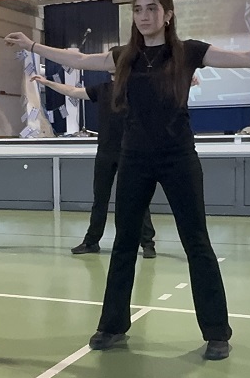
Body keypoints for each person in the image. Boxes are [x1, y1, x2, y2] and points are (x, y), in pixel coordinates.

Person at [4, 0, 250, 360]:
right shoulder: (124, 56)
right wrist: (33, 45)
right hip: (134, 158)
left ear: (168, 14)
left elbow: (247, 58)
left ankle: (217, 332)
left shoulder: (188, 52)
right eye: (138, 10)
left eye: (152, 9)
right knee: (124, 243)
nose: (144, 16)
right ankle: (112, 325)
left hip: (178, 158)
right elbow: (78, 60)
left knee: (197, 242)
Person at [30, 73, 156, 258]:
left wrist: (187, 82)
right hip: (105, 153)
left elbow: (162, 93)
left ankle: (147, 243)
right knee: (100, 199)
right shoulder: (102, 89)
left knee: (138, 199)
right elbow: (72, 91)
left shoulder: (136, 87)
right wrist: (47, 82)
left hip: (130, 153)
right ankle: (91, 242)